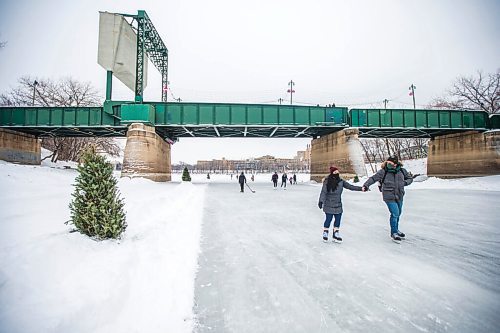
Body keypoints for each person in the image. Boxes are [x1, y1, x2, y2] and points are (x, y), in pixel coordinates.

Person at [362, 155, 413, 243]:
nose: (388, 164)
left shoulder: (402, 170)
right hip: (388, 196)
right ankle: (393, 233)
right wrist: (366, 185)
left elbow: (410, 178)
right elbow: (373, 178)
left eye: (391, 163)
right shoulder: (384, 171)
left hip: (399, 195)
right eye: (388, 162)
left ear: (395, 163)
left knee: (398, 213)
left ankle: (396, 229)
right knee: (395, 213)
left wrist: (405, 183)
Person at [318, 166, 364, 243]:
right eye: (335, 172)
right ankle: (325, 232)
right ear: (332, 173)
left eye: (337, 172)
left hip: (338, 204)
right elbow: (324, 192)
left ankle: (336, 234)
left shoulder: (341, 181)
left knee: (338, 219)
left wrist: (361, 188)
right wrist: (321, 201)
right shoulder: (327, 181)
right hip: (329, 203)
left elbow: (350, 187)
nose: (337, 173)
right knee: (328, 219)